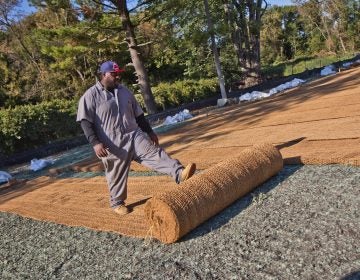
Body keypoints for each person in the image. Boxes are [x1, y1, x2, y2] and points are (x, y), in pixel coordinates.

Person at [77, 61, 196, 215]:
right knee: (116, 174)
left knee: (155, 153)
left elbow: (139, 116)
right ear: (103, 74)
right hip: (112, 143)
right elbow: (85, 122)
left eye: (118, 73)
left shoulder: (125, 91)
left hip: (134, 135)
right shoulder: (90, 96)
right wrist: (95, 143)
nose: (117, 76)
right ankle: (117, 203)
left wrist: (150, 132)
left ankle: (179, 174)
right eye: (113, 74)